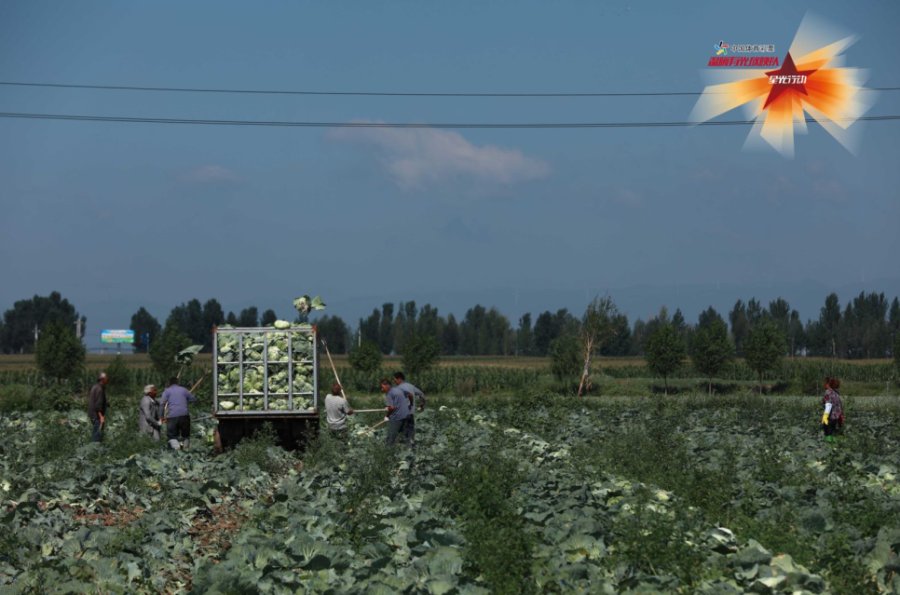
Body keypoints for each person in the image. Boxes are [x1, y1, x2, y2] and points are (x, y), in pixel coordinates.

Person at [159, 377, 196, 450]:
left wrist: (161, 416)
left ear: (169, 383)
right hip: (184, 416)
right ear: (177, 383)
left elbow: (162, 404)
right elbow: (193, 399)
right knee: (186, 435)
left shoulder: (167, 391)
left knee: (172, 435)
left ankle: (177, 448)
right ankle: (186, 449)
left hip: (172, 417)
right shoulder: (184, 390)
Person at [393, 371, 425, 446]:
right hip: (410, 414)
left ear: (399, 379)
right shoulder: (411, 386)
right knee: (410, 432)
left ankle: (401, 448)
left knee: (399, 432)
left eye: (395, 380)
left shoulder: (399, 388)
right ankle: (410, 447)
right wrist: (422, 405)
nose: (394, 382)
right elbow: (422, 395)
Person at [381, 378, 410, 446]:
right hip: (406, 416)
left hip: (396, 418)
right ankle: (410, 449)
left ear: (387, 385)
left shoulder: (389, 394)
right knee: (406, 436)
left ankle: (388, 451)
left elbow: (392, 408)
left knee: (391, 437)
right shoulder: (398, 390)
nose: (382, 389)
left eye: (382, 387)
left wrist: (387, 416)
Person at [821, 376, 844, 443]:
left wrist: (825, 418)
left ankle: (829, 446)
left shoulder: (828, 392)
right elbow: (839, 406)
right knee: (833, 433)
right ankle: (834, 447)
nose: (824, 384)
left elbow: (828, 405)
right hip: (836, 417)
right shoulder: (836, 393)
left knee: (828, 433)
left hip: (830, 416)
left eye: (825, 383)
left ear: (828, 384)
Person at [87, 372, 109, 442]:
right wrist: (101, 417)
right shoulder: (100, 389)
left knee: (95, 433)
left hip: (92, 414)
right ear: (102, 379)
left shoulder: (95, 387)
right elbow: (98, 405)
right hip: (97, 416)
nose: (107, 380)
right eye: (106, 378)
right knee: (97, 436)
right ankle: (94, 450)